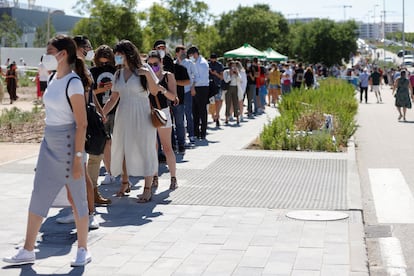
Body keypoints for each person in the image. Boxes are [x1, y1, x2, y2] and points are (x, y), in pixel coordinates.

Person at [3, 34, 92, 267]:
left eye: (49, 51)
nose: (46, 56)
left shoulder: (73, 82)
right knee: (39, 195)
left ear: (63, 54)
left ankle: (83, 249)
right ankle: (27, 249)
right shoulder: (53, 77)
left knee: (76, 198)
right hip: (49, 143)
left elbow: (82, 123)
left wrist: (78, 158)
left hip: (69, 144)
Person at [102, 40, 160, 203]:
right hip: (123, 113)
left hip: (142, 113)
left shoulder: (145, 69)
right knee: (123, 148)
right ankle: (125, 183)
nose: (116, 57)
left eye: (119, 55)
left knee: (145, 148)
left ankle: (147, 188)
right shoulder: (118, 74)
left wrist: (147, 74)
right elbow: (113, 98)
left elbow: (155, 91)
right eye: (116, 55)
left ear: (128, 54)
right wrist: (102, 114)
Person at [56, 35, 100, 229]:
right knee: (73, 175)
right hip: (68, 126)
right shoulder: (75, 69)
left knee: (80, 173)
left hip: (75, 127)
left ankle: (89, 214)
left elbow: (78, 101)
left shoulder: (77, 70)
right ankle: (78, 211)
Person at [147, 50, 179, 190]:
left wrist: (162, 90)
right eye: (150, 64)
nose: (153, 66)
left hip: (164, 113)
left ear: (161, 62)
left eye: (156, 64)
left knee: (167, 147)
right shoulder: (146, 77)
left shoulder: (168, 76)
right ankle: (154, 177)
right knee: (152, 148)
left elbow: (174, 97)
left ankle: (173, 178)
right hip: (148, 113)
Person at [89, 45, 117, 200]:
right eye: (102, 60)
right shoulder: (92, 72)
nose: (105, 64)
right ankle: (109, 172)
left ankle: (121, 172)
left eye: (108, 60)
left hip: (118, 109)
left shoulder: (117, 71)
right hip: (101, 111)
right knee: (106, 142)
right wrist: (102, 89)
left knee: (118, 142)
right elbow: (89, 92)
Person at [175, 45, 196, 146]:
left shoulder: (189, 63)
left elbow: (195, 76)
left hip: (187, 91)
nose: (184, 53)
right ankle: (181, 138)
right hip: (178, 93)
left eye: (184, 51)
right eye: (182, 51)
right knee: (179, 117)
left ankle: (191, 135)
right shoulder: (174, 64)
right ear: (177, 53)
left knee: (188, 114)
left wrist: (192, 87)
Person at [187, 46, 210, 140]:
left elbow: (202, 79)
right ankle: (196, 132)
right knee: (195, 111)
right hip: (194, 88)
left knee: (202, 111)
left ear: (195, 54)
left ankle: (203, 133)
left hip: (202, 88)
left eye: (190, 55)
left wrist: (193, 86)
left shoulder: (202, 63)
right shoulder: (195, 62)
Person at [171, 48, 191, 154]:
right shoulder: (162, 70)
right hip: (166, 102)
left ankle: (181, 144)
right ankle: (172, 145)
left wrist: (175, 82)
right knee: (169, 124)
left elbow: (187, 82)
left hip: (180, 100)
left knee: (179, 123)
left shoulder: (181, 68)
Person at [208, 53, 224, 127]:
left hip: (217, 85)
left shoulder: (219, 65)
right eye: (212, 59)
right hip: (209, 86)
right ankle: (213, 115)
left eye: (214, 59)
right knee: (210, 103)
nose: (213, 60)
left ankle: (217, 116)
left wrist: (215, 73)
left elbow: (221, 77)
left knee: (218, 101)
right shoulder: (207, 65)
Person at [223, 60, 241, 125]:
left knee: (236, 103)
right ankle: (227, 118)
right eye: (233, 65)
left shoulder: (236, 71)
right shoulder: (226, 72)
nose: (234, 67)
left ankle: (237, 118)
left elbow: (240, 79)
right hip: (228, 88)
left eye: (235, 65)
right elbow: (226, 80)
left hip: (235, 87)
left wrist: (236, 73)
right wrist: (230, 75)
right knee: (228, 103)